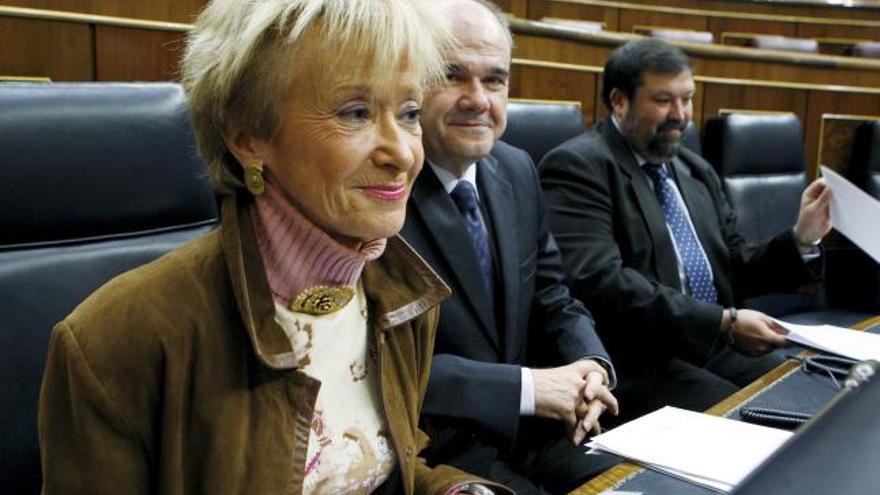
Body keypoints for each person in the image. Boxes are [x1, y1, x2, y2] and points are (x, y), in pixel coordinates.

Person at [38, 1, 508, 493]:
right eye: (356, 112)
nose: (404, 154)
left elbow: (373, 467)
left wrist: (449, 488)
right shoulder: (113, 341)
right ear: (248, 137)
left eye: (409, 112)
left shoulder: (400, 294)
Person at [539, 39, 832, 424]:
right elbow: (603, 284)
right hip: (639, 357)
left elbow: (735, 264)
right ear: (619, 101)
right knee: (747, 425)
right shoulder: (578, 166)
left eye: (687, 99)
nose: (680, 115)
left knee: (813, 398)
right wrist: (723, 323)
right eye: (663, 100)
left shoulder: (694, 169)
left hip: (710, 343)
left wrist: (802, 238)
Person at [400, 1, 619, 493]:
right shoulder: (382, 187)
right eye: (452, 76)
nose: (477, 99)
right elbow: (375, 364)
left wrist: (591, 366)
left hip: (536, 433)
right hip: (433, 446)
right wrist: (526, 389)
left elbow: (553, 295)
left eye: (495, 80)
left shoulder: (517, 167)